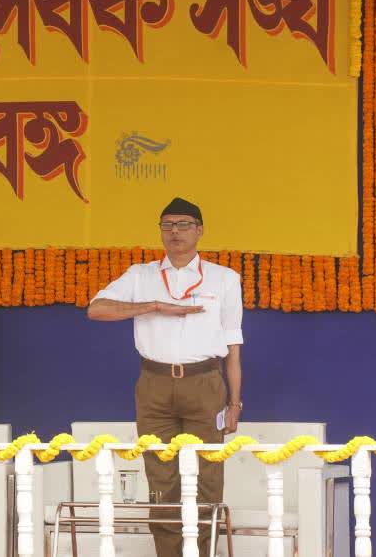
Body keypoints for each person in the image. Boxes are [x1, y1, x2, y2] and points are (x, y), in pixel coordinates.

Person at [87, 197, 243, 557]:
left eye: (184, 224)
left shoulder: (224, 278)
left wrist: (234, 402)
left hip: (205, 381)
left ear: (200, 231)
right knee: (160, 478)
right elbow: (96, 309)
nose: (175, 232)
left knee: (208, 476)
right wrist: (155, 306)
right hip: (154, 384)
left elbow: (234, 345)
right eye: (167, 224)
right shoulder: (141, 275)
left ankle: (204, 553)